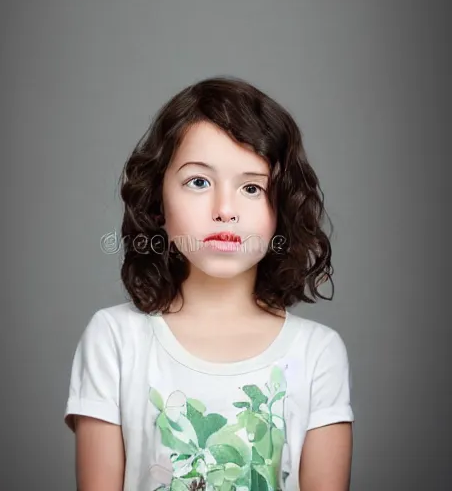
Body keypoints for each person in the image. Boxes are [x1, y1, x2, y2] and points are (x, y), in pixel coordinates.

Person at [64, 76, 354, 491]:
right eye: (199, 182)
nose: (225, 210)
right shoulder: (114, 340)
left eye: (252, 187)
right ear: (157, 201)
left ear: (282, 211)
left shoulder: (317, 354)